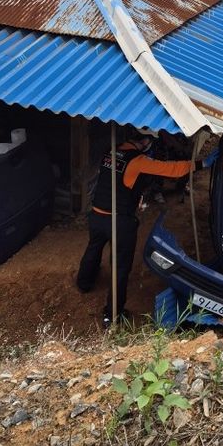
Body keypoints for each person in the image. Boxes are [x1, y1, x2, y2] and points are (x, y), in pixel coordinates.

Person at [76, 129, 206, 327]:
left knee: (93, 247)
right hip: (119, 222)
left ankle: (83, 283)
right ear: (145, 141)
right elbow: (173, 170)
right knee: (120, 268)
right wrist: (201, 164)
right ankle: (113, 315)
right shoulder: (137, 161)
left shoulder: (111, 152)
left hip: (96, 215)